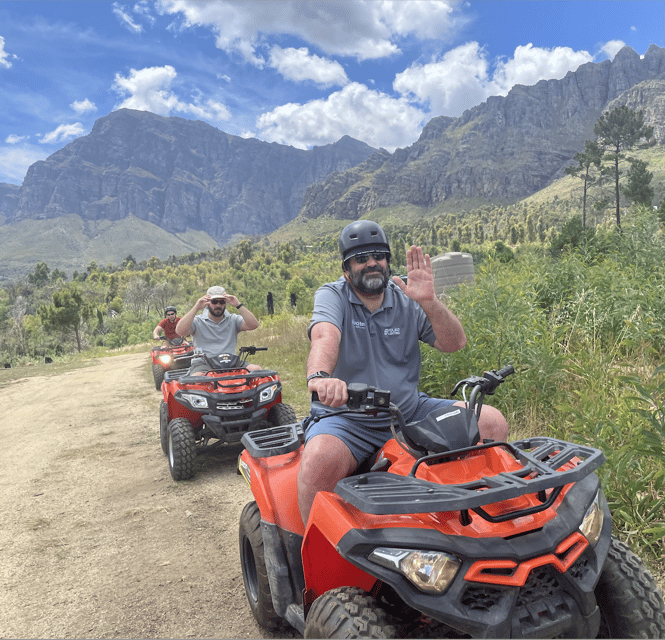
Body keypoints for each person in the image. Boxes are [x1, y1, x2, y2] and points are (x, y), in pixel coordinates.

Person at [298, 220, 509, 524]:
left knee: (490, 422)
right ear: (346, 269)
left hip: (408, 411)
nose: (371, 263)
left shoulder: (405, 297)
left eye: (378, 256)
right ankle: (314, 559)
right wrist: (320, 376)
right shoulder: (333, 295)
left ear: (387, 261)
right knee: (318, 461)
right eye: (361, 259)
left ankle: (489, 521)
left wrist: (429, 302)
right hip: (347, 418)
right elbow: (324, 336)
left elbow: (454, 343)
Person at [175, 285, 261, 375]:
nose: (218, 305)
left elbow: (253, 325)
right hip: (204, 363)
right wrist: (196, 308)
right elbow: (180, 331)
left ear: (226, 303)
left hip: (230, 361)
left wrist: (238, 305)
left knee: (256, 370)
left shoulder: (233, 319)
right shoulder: (197, 321)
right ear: (207, 303)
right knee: (199, 378)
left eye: (222, 302)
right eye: (214, 302)